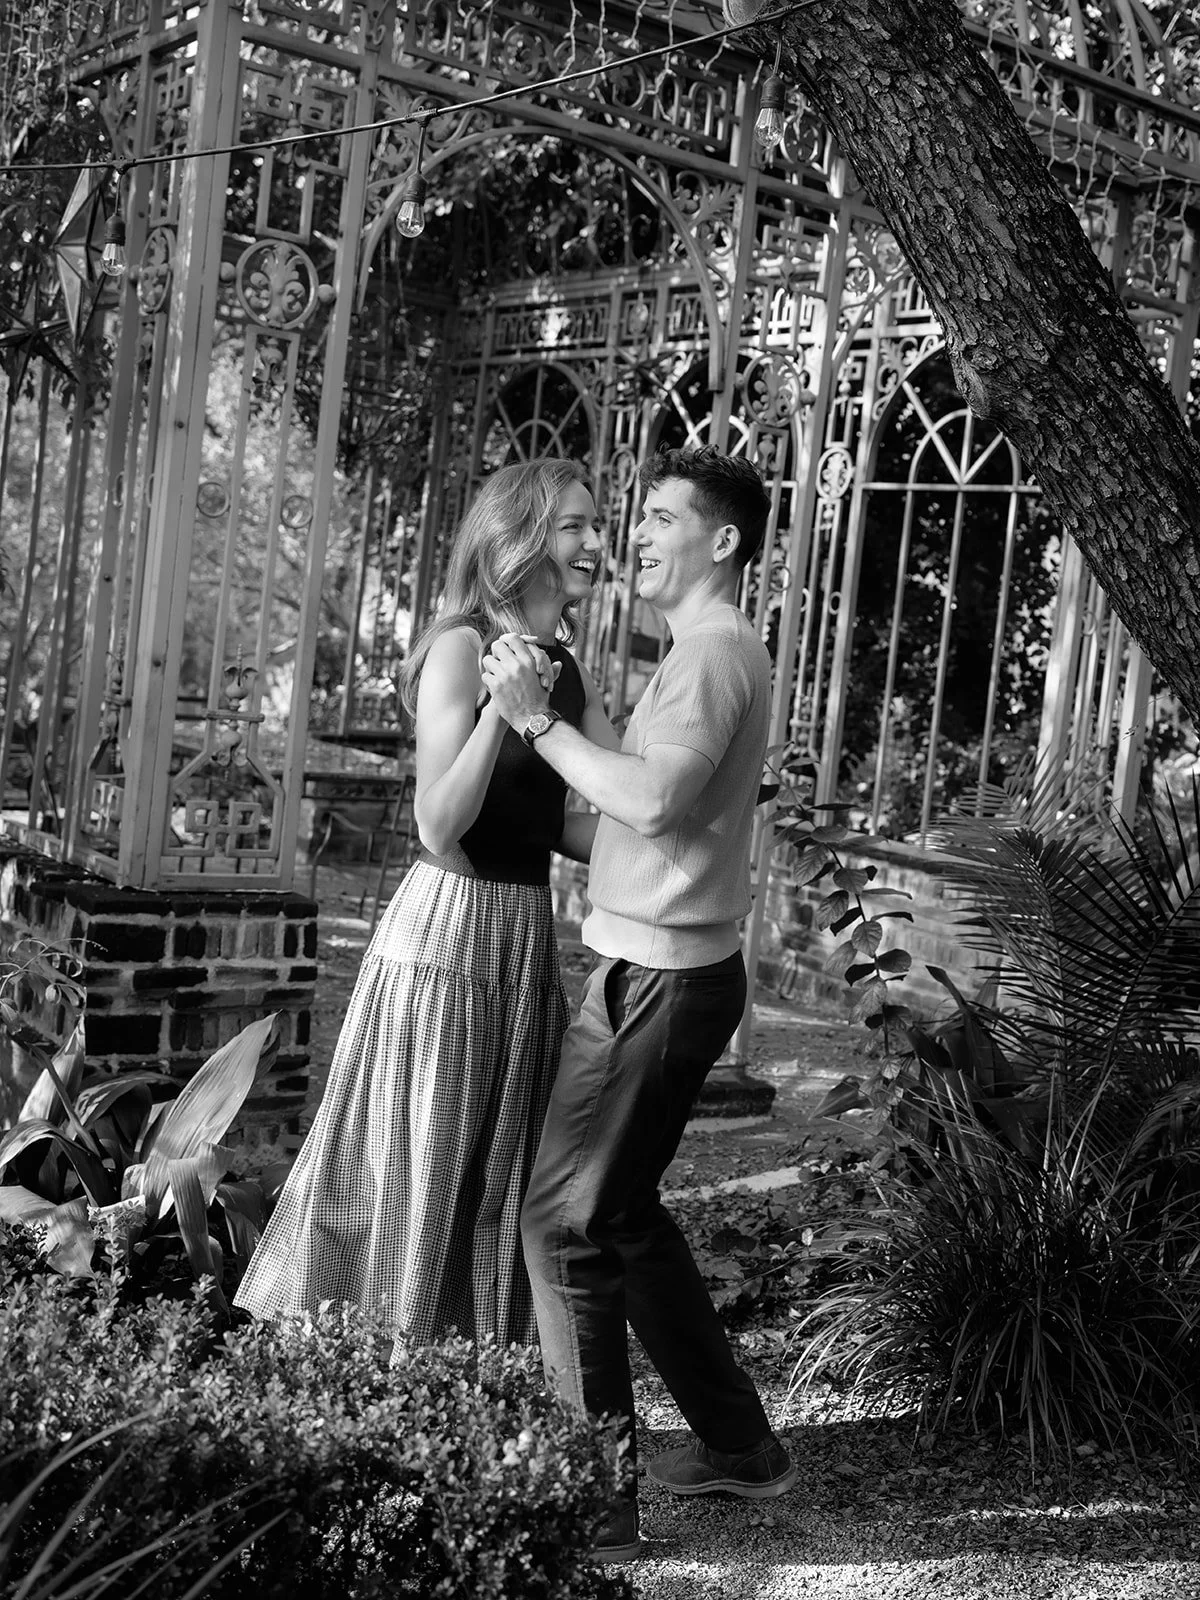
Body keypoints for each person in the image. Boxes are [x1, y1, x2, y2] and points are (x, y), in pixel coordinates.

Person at [480, 445, 797, 1564]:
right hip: (660, 968)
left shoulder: (712, 651)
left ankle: (595, 1507)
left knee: (561, 1223)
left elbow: (655, 802)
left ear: (724, 540)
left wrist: (535, 721)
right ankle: (740, 1446)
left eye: (664, 517)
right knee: (620, 1216)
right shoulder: (702, 650)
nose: (639, 535)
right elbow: (631, 802)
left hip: (656, 979)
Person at [235, 458, 617, 1347]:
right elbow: (439, 823)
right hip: (447, 932)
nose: (596, 543)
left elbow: (589, 812)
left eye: (596, 525)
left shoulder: (568, 670)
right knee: (416, 1162)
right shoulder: (458, 646)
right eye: (574, 526)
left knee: (490, 1176)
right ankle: (366, 1355)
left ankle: (459, 1371)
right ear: (520, 538)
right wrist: (504, 709)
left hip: (521, 941)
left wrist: (696, 825)